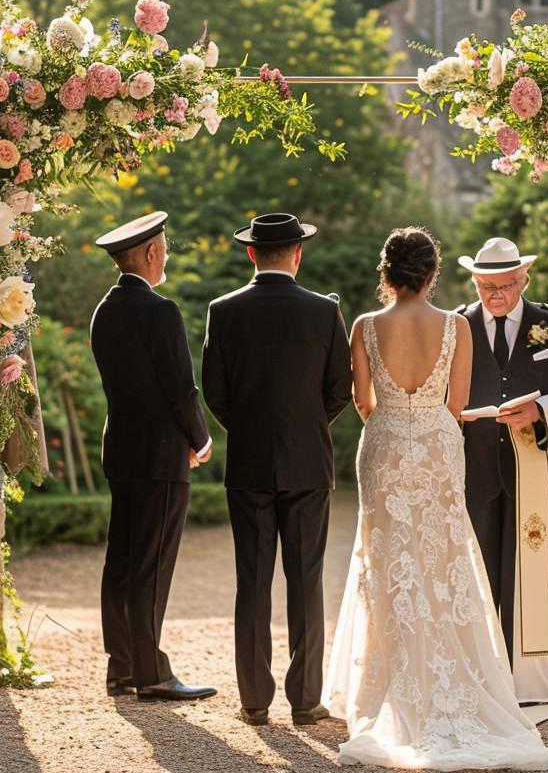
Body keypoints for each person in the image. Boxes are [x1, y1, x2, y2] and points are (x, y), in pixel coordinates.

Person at [323, 227, 548, 771]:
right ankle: (448, 680)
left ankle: (389, 686)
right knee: (440, 557)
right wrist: (423, 426)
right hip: (437, 444)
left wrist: (393, 426)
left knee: (385, 561)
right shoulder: (457, 326)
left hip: (381, 446)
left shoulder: (364, 326)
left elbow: (363, 401)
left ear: (387, 274)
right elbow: (456, 403)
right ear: (431, 274)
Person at [201, 213, 352, 727]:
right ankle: (306, 702)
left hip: (248, 465)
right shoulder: (323, 312)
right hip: (308, 463)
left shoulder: (222, 312)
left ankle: (254, 701)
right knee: (306, 581)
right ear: (298, 254)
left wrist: (248, 432)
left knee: (253, 580)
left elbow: (215, 393)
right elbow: (340, 390)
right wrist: (306, 427)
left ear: (251, 254)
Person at [457, 237, 548, 715]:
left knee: (529, 570)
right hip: (472, 468)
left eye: (503, 286)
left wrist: (539, 409)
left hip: (533, 466)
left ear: (524, 279)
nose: (493, 295)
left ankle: (529, 678)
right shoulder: (456, 325)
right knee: (477, 572)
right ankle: (480, 676)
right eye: (485, 286)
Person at [90, 211, 217, 702]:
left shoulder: (105, 310)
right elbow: (180, 388)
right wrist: (201, 439)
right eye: (163, 247)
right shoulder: (160, 311)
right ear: (150, 254)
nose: (165, 254)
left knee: (121, 558)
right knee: (152, 562)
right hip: (162, 453)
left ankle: (121, 666)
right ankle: (151, 671)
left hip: (120, 448)